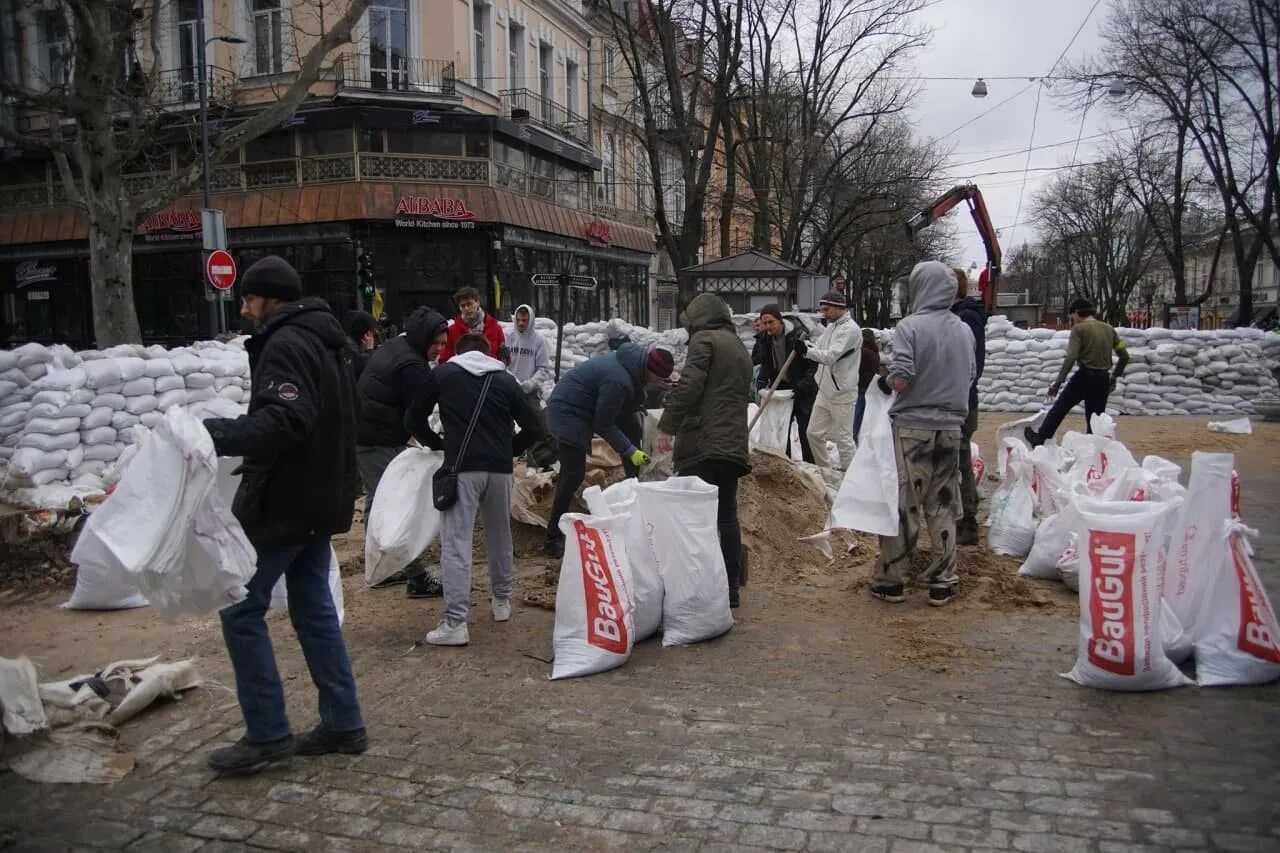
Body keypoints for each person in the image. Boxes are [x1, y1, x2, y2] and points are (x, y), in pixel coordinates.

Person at [201, 256, 365, 774]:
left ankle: (268, 732)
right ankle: (343, 722)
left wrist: (219, 434)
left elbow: (285, 420)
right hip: (322, 495)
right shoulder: (326, 339)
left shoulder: (288, 343)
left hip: (289, 502)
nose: (244, 310)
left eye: (249, 299)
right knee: (313, 607)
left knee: (240, 607)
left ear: (269, 298)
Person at [405, 333, 545, 646]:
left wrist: (438, 444)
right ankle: (501, 603)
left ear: (457, 353)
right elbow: (537, 427)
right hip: (500, 471)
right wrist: (509, 450)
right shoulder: (506, 380)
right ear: (488, 352)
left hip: (461, 470)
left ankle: (455, 623)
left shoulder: (442, 374)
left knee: (456, 542)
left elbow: (412, 419)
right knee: (500, 535)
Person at [870, 260, 976, 608]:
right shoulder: (963, 330)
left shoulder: (910, 326)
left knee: (907, 505)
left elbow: (902, 376)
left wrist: (884, 383)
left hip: (914, 428)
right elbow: (971, 375)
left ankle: (891, 580)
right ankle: (944, 581)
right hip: (951, 428)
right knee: (943, 503)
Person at [658, 294, 752, 608]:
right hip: (732, 444)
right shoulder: (737, 345)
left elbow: (690, 386)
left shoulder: (704, 340)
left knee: (695, 518)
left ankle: (698, 587)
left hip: (703, 442)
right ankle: (730, 589)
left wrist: (667, 424)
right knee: (726, 514)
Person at [543, 343, 674, 557]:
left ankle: (634, 488)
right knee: (573, 473)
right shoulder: (618, 381)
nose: (656, 383)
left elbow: (628, 404)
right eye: (657, 379)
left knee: (632, 425)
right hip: (567, 411)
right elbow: (603, 424)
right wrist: (630, 450)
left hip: (584, 405)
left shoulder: (635, 364)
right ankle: (553, 537)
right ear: (650, 371)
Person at [355, 306, 450, 597]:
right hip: (377, 438)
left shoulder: (398, 345)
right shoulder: (413, 366)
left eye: (444, 345)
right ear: (424, 339)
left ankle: (379, 568)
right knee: (397, 507)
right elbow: (414, 418)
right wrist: (438, 445)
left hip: (365, 432)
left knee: (378, 499)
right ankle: (417, 576)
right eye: (435, 343)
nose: (438, 350)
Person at [1025, 297, 1130, 447]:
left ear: (1076, 313)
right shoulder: (1109, 329)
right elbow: (1125, 356)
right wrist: (1114, 378)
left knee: (1061, 406)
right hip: (1103, 378)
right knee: (1095, 417)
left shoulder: (1079, 329)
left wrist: (1058, 383)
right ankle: (1093, 448)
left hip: (1085, 376)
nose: (1073, 319)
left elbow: (1071, 357)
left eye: (1072, 316)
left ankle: (1040, 437)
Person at [796, 291, 861, 471]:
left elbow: (831, 356)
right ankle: (825, 471)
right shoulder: (832, 327)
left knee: (844, 439)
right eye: (822, 309)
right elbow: (819, 348)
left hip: (842, 394)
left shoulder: (850, 330)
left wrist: (806, 352)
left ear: (840, 307)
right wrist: (806, 346)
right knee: (813, 434)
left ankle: (851, 477)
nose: (824, 313)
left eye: (827, 309)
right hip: (824, 390)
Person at [751, 304, 817, 463]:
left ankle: (811, 465)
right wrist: (761, 383)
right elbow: (766, 364)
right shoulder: (765, 340)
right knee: (781, 429)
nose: (767, 327)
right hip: (781, 388)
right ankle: (784, 463)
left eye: (771, 322)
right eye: (764, 323)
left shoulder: (798, 336)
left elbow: (813, 365)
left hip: (802, 390)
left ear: (780, 321)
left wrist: (801, 386)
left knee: (804, 431)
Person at [951, 269, 988, 546]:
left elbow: (969, 367)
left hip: (960, 403)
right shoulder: (961, 315)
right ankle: (962, 511)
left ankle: (968, 521)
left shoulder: (965, 319)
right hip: (957, 400)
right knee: (953, 459)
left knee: (960, 459)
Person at [506, 303, 556, 467]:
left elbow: (543, 368)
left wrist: (530, 383)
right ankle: (509, 456)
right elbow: (501, 362)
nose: (521, 323)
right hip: (508, 390)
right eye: (519, 320)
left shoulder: (539, 341)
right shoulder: (509, 337)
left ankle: (535, 460)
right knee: (504, 425)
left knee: (537, 426)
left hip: (529, 391)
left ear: (531, 320)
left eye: (525, 320)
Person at [439, 286, 508, 363]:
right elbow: (444, 360)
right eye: (463, 306)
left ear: (477, 302)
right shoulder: (452, 330)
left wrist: (505, 357)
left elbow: (503, 361)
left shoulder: (495, 328)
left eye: (469, 304)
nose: (466, 308)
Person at [852, 328, 881, 441]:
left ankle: (855, 436)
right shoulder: (874, 351)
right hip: (872, 386)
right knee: (868, 414)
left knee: (859, 414)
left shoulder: (863, 351)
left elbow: (858, 368)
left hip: (863, 386)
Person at [343, 310, 378, 384]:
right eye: (372, 332)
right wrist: (369, 350)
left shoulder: (351, 343)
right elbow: (367, 370)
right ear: (366, 333)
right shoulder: (349, 346)